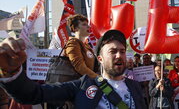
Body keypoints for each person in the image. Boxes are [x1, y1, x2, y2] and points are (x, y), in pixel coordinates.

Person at [0, 30, 146, 109]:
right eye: (113, 51)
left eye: (122, 51)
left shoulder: (134, 86)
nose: (119, 55)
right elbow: (33, 94)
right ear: (100, 59)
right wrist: (12, 72)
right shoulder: (83, 85)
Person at [65, 14, 98, 79]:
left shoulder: (86, 45)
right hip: (78, 84)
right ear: (75, 28)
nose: (88, 27)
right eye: (84, 24)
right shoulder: (73, 43)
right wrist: (98, 78)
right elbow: (79, 66)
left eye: (87, 24)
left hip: (87, 81)